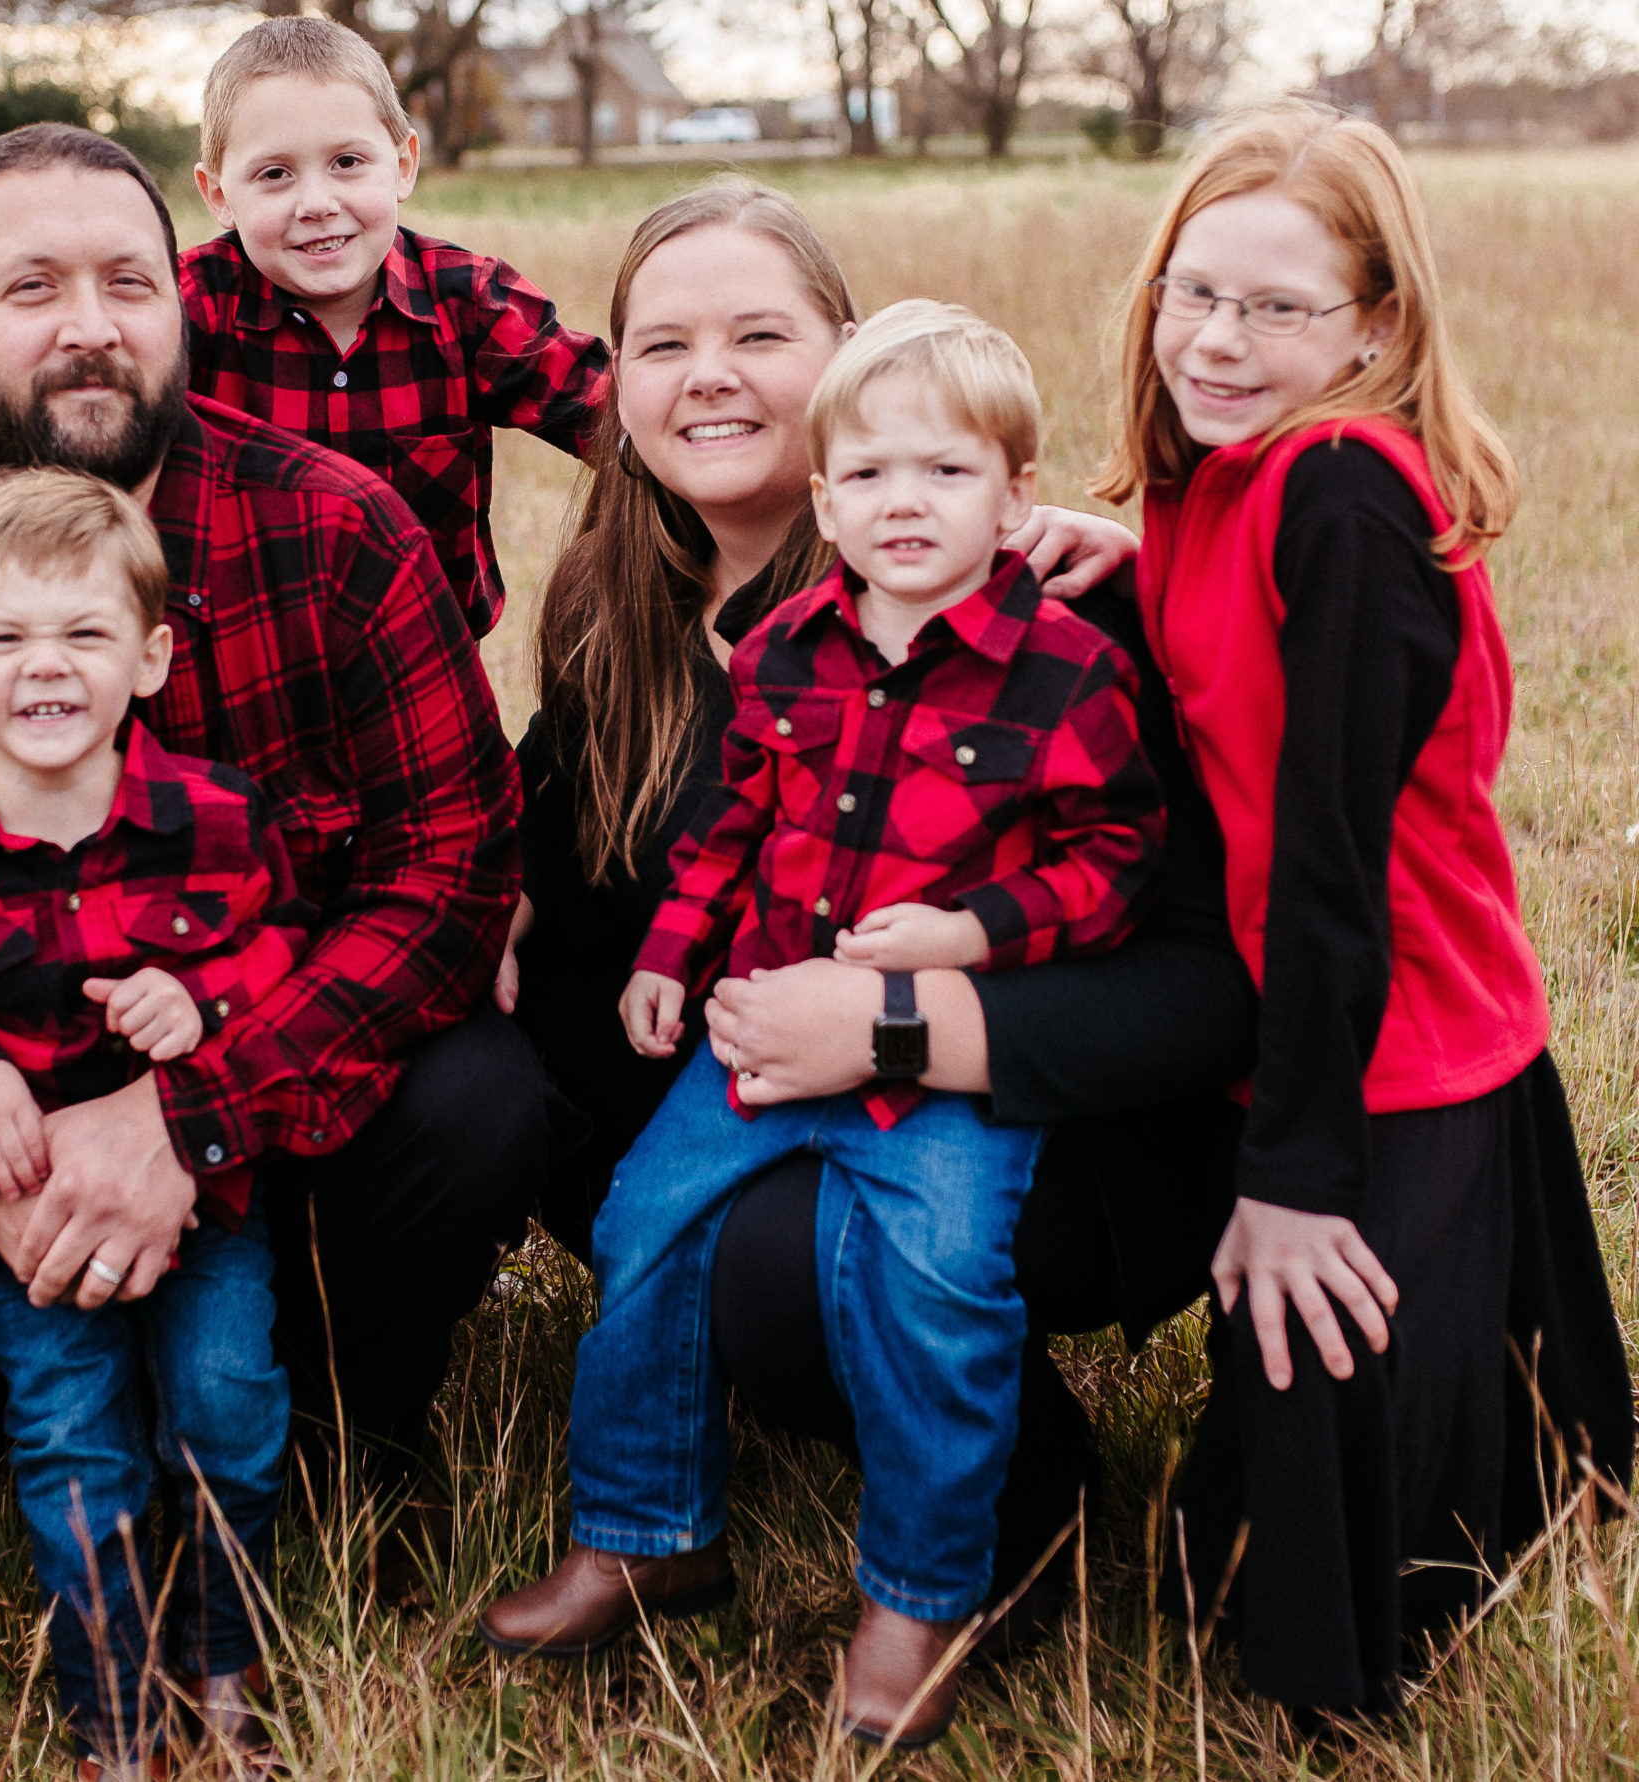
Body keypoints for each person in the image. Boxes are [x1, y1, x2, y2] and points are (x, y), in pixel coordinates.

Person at [0, 126, 539, 1610]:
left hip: (253, 1094)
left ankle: (336, 1427)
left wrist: (185, 1121)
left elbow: (448, 875)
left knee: (479, 1098)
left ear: (180, 299)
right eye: (31, 285)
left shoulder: (329, 529)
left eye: (129, 279)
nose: (88, 323)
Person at [497, 177, 1256, 1692]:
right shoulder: (621, 610)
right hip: (770, 1069)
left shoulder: (1049, 613)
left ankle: (999, 1533)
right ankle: (649, 1525)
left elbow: (1195, 982)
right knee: (633, 1174)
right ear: (618, 390)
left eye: (759, 333)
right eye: (662, 344)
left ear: (844, 352)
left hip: (1060, 1116)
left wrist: (908, 1011)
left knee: (804, 1257)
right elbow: (571, 873)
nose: (707, 372)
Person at [1092, 101, 1631, 1714]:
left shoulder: (1340, 494)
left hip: (1397, 1037)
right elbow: (1218, 669)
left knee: (1310, 1624)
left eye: (1277, 306)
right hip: (1304, 1013)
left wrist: (1299, 1175)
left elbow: (1332, 860)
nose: (1217, 337)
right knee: (1228, 1555)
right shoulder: (1216, 482)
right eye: (1193, 292)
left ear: (1380, 324)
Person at [0, 468, 301, 1777]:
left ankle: (222, 1665)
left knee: (229, 1410)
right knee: (78, 1448)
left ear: (148, 657)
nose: (48, 668)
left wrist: (201, 993)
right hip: (27, 1213)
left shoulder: (214, 818)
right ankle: (116, 1721)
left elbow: (285, 944)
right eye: (4, 637)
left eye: (86, 634)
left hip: (207, 1198)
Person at [0, 13, 607, 641]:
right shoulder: (188, 303)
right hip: (225, 638)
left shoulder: (468, 300)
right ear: (217, 192)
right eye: (275, 174)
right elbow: (26, 395)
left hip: (422, 646)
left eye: (348, 163)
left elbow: (613, 414)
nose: (316, 201)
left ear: (403, 162)